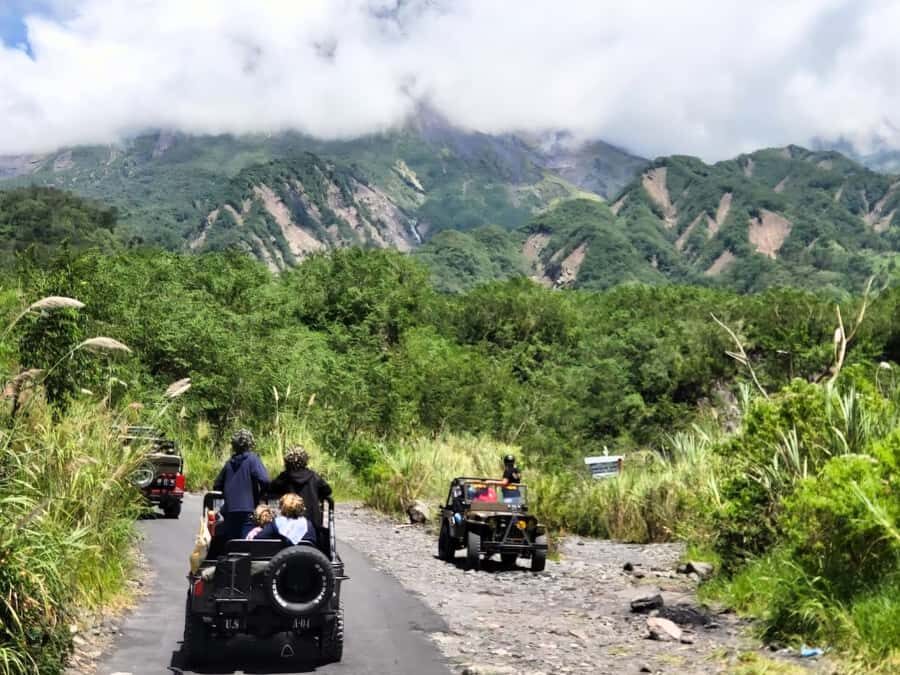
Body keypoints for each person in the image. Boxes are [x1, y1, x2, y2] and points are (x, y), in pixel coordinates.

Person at [213, 428, 270, 540]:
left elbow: (217, 484)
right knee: (246, 542)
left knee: (231, 542)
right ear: (250, 444)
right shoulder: (252, 459)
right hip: (248, 509)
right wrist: (261, 495)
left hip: (230, 510)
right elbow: (265, 480)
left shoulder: (229, 463)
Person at [268, 446, 332, 529]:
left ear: (287, 461)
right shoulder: (313, 476)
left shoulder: (285, 477)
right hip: (312, 522)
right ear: (305, 460)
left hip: (290, 523)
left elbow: (271, 488)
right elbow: (327, 490)